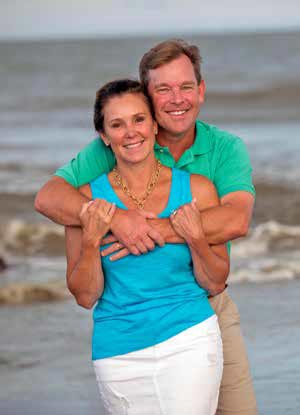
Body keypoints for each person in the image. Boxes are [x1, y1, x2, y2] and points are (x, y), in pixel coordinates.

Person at [35, 39, 258, 415]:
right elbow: (49, 198)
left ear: (201, 91)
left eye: (186, 87)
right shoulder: (119, 142)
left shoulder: (225, 149)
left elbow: (236, 219)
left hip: (204, 308)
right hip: (125, 332)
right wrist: (118, 220)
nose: (177, 99)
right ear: (148, 98)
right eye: (163, 89)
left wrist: (153, 230)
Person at [66, 78, 228, 414]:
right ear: (104, 137)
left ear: (154, 124)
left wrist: (195, 237)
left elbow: (215, 281)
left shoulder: (198, 190)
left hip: (190, 339)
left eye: (139, 119)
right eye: (117, 124)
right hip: (118, 350)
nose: (131, 132)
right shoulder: (86, 200)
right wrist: (93, 240)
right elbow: (85, 296)